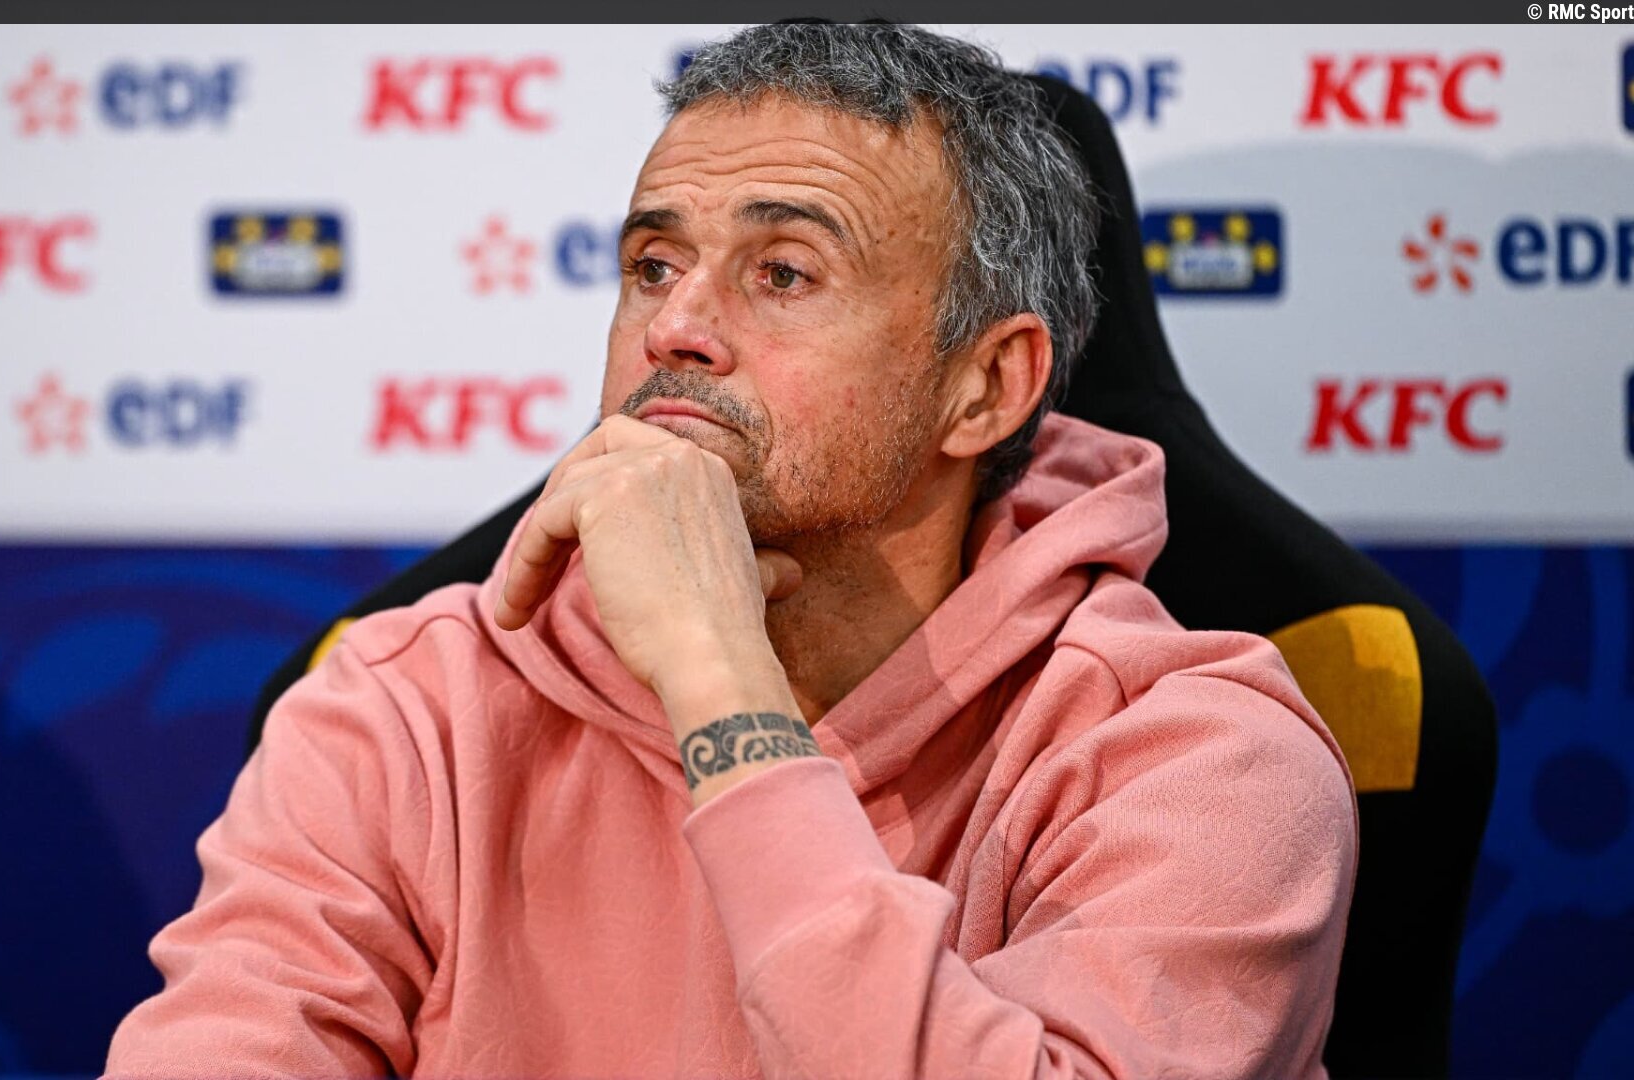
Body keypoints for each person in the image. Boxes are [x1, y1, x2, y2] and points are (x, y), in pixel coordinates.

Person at [104, 21, 1356, 1080]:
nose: (677, 328)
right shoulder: (402, 710)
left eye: (784, 273)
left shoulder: (1199, 761)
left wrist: (722, 690)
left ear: (985, 386)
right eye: (653, 266)